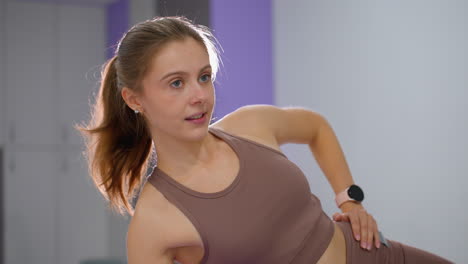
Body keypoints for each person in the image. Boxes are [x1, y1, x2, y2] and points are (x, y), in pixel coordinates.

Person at [76, 16, 454, 264]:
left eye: (204, 77)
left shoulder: (249, 126)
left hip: (377, 256)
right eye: (177, 83)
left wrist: (349, 200)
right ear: (134, 99)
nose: (199, 96)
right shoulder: (154, 223)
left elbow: (315, 127)